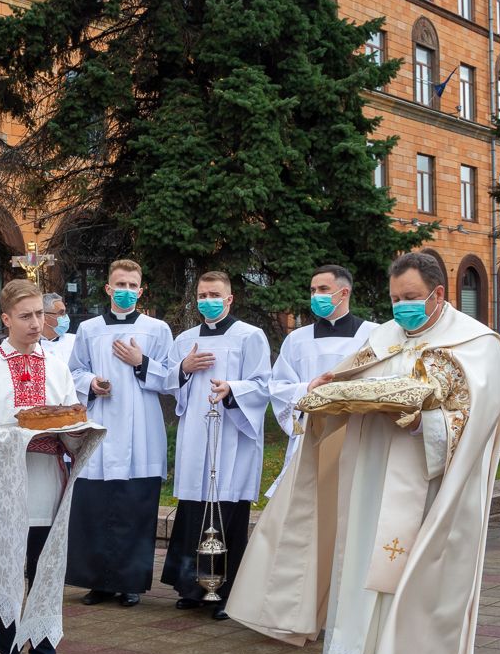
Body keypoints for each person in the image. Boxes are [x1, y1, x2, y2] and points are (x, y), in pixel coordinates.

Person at [228, 252, 500, 654]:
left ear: (438, 294)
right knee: (368, 584)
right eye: (395, 298)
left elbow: (479, 419)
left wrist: (423, 421)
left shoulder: (476, 343)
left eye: (410, 298)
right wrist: (325, 390)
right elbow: (351, 384)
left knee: (431, 590)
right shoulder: (384, 337)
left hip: (436, 490)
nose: (401, 307)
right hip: (374, 485)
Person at [0, 279, 99, 654]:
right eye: (25, 316)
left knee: (45, 577)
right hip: (7, 491)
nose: (35, 323)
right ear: (5, 319)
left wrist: (77, 434)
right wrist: (18, 434)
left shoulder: (57, 366)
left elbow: (71, 418)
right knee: (9, 577)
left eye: (40, 314)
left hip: (48, 486)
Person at [161, 272, 271, 620]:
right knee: (193, 508)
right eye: (202, 294)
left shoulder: (250, 336)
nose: (207, 300)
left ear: (229, 298)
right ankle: (191, 588)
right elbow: (168, 382)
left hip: (232, 436)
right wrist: (184, 368)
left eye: (214, 294)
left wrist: (233, 389)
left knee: (227, 510)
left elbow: (263, 385)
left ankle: (226, 592)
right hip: (196, 434)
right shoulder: (185, 339)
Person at [66, 260, 173, 608]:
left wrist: (142, 363)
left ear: (141, 291)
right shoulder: (89, 329)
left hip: (141, 429)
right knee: (96, 508)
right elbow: (74, 372)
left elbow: (172, 378)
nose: (126, 291)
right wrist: (91, 383)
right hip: (101, 423)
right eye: (120, 285)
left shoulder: (157, 329)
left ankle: (130, 582)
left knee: (134, 507)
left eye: (132, 286)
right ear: (108, 288)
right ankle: (99, 583)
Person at [267, 265, 377, 499]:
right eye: (313, 290)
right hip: (310, 431)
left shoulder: (373, 335)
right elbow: (277, 386)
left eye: (323, 289)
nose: (316, 296)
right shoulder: (297, 339)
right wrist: (307, 388)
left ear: (344, 293)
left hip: (356, 432)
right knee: (306, 499)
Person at [40, 292, 76, 363]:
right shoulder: (32, 346)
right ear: (45, 317)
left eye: (65, 312)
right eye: (61, 313)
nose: (66, 317)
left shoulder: (74, 341)